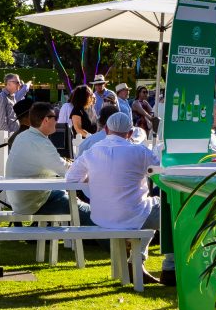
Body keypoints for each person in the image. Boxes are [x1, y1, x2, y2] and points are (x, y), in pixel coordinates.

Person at [65, 111, 162, 276]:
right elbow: (162, 175)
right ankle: (169, 265)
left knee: (147, 211)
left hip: (101, 217)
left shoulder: (92, 152)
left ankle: (137, 262)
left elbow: (71, 179)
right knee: (167, 211)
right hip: (132, 214)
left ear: (106, 130)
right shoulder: (140, 151)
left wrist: (93, 178)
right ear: (130, 133)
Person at [5, 103, 70, 220]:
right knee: (87, 212)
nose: (57, 121)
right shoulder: (39, 142)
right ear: (46, 120)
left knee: (65, 196)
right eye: (55, 117)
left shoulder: (22, 136)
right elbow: (65, 171)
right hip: (33, 203)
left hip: (21, 201)